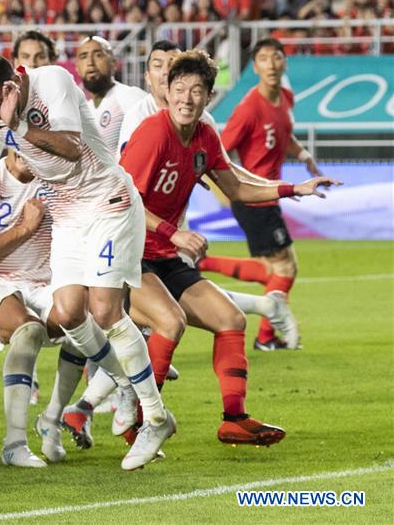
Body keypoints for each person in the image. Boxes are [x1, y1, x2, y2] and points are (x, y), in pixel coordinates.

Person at [0, 51, 176, 471]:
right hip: (66, 214)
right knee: (68, 312)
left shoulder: (51, 81)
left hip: (106, 201)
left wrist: (17, 125)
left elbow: (71, 148)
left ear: (12, 83)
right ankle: (79, 406)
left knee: (105, 311)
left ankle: (154, 417)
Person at [118, 49, 339, 446]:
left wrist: (294, 188)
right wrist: (173, 232)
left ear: (208, 96)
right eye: (179, 89)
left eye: (196, 91)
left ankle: (234, 419)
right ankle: (143, 421)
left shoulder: (204, 135)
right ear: (166, 91)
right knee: (170, 323)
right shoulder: (153, 132)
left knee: (231, 320)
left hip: (163, 255)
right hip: (127, 255)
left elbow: (235, 187)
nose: (186, 98)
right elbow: (124, 199)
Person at [0, 149, 136, 467]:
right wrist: (24, 228)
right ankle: (14, 445)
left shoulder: (58, 180)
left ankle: (51, 419)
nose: (25, 150)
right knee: (28, 331)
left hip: (44, 282)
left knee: (78, 318)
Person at [198, 38, 322, 351]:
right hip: (254, 196)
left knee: (274, 270)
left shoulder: (286, 98)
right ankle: (266, 337)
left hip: (270, 194)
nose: (271, 64)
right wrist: (224, 190)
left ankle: (202, 263)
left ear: (284, 63)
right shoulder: (249, 109)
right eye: (264, 58)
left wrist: (304, 155)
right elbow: (219, 151)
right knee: (285, 268)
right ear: (255, 67)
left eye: (276, 57)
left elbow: (284, 133)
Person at [0, 30, 59, 170]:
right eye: (25, 56)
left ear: (52, 61)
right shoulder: (5, 107)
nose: (32, 63)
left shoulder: (65, 101)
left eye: (40, 56)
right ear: (15, 61)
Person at [74, 35, 146, 155]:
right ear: (77, 68)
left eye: (98, 55)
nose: (90, 62)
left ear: (113, 63)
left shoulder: (130, 96)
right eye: (84, 56)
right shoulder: (84, 111)